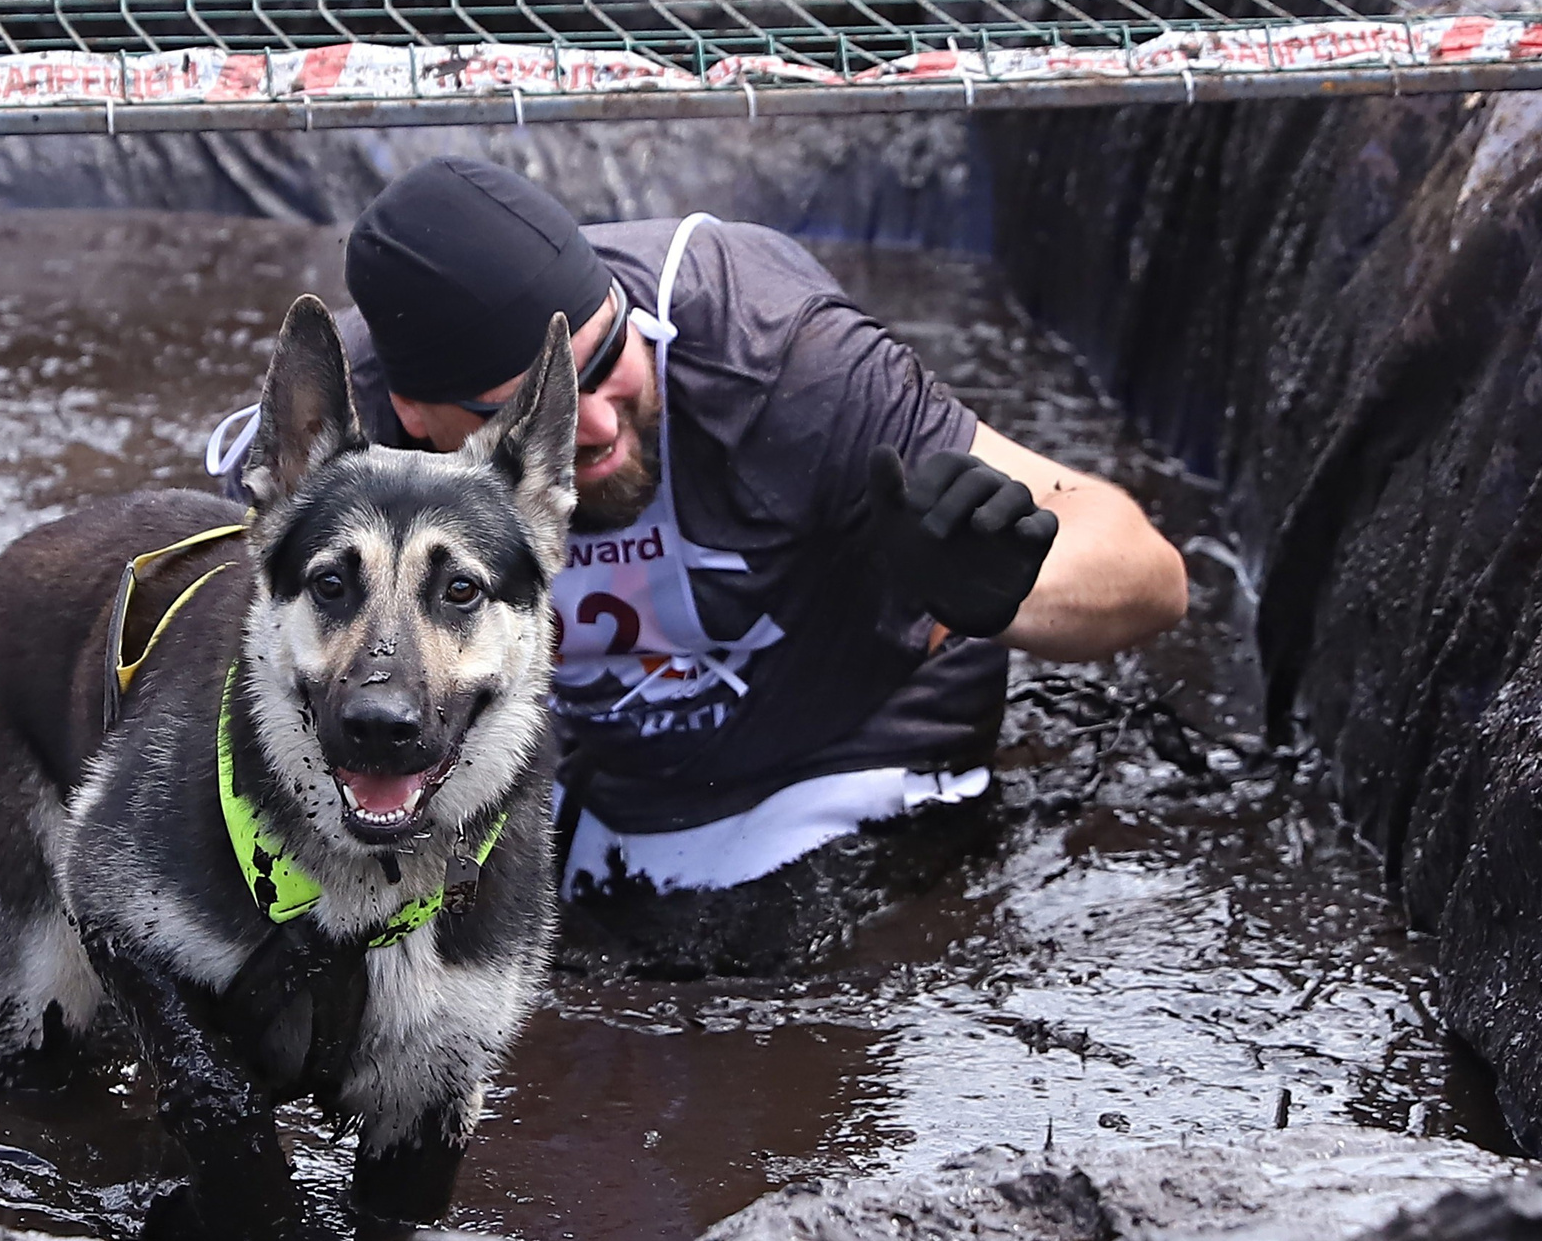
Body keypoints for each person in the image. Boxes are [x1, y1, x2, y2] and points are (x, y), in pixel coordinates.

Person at [209, 158, 1186, 975]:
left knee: (740, 967)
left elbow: (1146, 571)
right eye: (528, 407)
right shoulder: (344, 442)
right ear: (418, 423)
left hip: (835, 755)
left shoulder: (776, 357)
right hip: (582, 780)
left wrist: (1006, 583)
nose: (589, 422)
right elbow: (197, 648)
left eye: (603, 361)